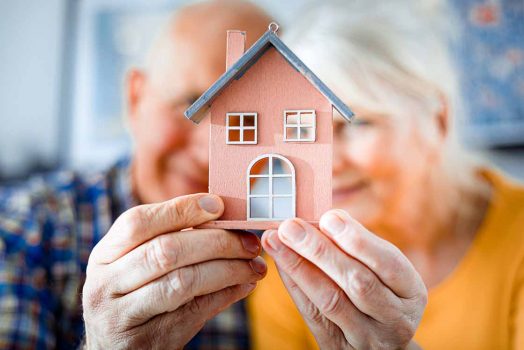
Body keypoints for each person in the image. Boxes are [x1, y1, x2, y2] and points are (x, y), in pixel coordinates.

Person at [248, 0, 524, 349]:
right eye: (303, 130)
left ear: (437, 123)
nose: (327, 163)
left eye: (357, 123)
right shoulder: (290, 270)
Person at [0, 1, 273, 348]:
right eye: (192, 105)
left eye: (249, 124)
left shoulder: (279, 249)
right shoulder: (24, 230)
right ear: (135, 96)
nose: (209, 154)